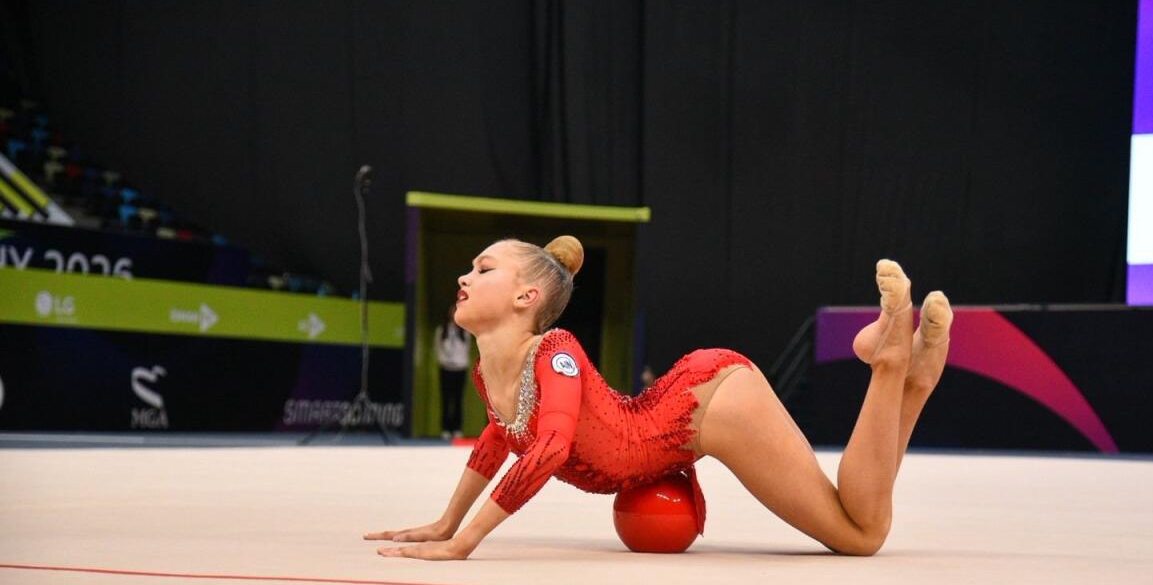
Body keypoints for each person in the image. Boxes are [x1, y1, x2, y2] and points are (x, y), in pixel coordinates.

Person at [364, 235, 952, 560]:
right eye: (469, 267)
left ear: (527, 297)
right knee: (861, 523)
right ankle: (915, 378)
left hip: (704, 407)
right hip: (690, 401)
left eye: (483, 268)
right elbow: (499, 439)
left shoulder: (556, 351)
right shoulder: (487, 373)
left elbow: (547, 447)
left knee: (861, 536)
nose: (464, 277)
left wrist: (465, 544)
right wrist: (445, 523)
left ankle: (887, 363)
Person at [433, 302, 472, 439]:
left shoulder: (464, 332)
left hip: (460, 368)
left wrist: (461, 363)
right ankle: (445, 428)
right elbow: (438, 349)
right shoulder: (442, 330)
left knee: (458, 400)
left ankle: (457, 428)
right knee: (446, 399)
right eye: (452, 312)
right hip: (446, 368)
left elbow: (466, 350)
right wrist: (444, 362)